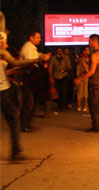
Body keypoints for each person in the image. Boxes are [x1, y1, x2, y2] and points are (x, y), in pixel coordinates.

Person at [1, 32, 46, 161]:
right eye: (5, 42)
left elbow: (7, 70)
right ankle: (16, 153)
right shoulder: (2, 53)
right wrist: (37, 59)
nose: (7, 45)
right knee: (14, 120)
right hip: (3, 92)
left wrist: (12, 71)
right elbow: (15, 62)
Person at [18, 31, 51, 132]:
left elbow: (36, 57)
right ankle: (24, 125)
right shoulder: (28, 48)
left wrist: (42, 56)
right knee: (29, 103)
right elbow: (30, 62)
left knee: (33, 103)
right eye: (37, 38)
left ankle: (27, 124)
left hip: (33, 78)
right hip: (29, 79)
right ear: (31, 38)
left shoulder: (32, 48)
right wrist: (42, 59)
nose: (39, 40)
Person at [74, 34, 99, 132]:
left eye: (90, 41)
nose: (89, 43)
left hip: (95, 82)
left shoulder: (95, 55)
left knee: (93, 106)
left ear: (95, 41)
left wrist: (80, 79)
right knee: (96, 105)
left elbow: (92, 71)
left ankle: (96, 126)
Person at [48, 47, 72, 112]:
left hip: (64, 76)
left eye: (60, 51)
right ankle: (59, 105)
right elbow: (50, 68)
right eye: (58, 51)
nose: (59, 52)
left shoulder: (66, 58)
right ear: (56, 52)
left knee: (64, 91)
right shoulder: (53, 58)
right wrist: (51, 76)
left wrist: (65, 70)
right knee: (58, 91)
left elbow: (69, 67)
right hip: (56, 76)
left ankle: (64, 106)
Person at [75, 47, 91, 112]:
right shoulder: (86, 59)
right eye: (87, 50)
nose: (89, 51)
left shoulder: (79, 59)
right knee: (86, 92)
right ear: (84, 51)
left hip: (79, 76)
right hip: (85, 76)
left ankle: (79, 106)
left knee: (79, 92)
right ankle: (85, 106)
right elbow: (86, 68)